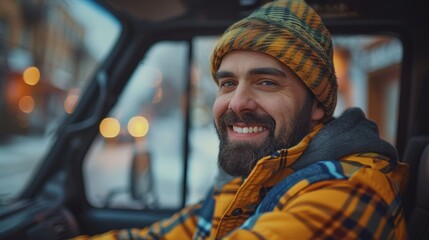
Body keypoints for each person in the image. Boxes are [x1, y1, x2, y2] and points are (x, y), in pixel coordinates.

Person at [75, 0, 408, 239]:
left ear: (317, 104)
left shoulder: (349, 192)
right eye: (227, 83)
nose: (237, 103)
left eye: (266, 82)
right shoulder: (251, 182)